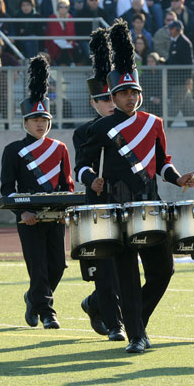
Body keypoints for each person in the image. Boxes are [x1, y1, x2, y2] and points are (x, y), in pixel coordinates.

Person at [74, 19, 194, 353]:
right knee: (127, 273)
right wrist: (92, 179)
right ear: (114, 96)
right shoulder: (100, 128)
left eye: (134, 92)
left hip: (150, 204)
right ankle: (137, 336)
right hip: (116, 206)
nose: (130, 98)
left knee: (163, 270)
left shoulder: (154, 124)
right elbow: (81, 166)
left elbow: (162, 163)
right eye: (124, 93)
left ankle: (134, 320)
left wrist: (178, 178)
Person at [0, 56, 74, 331]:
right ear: (25, 122)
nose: (41, 124)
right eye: (35, 119)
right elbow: (8, 189)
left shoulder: (60, 148)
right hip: (28, 217)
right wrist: (23, 212)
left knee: (57, 267)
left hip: (54, 217)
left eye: (44, 119)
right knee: (38, 267)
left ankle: (33, 298)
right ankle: (47, 312)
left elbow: (66, 185)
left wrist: (65, 209)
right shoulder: (13, 150)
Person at [74, 28, 125, 341]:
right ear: (94, 103)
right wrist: (92, 180)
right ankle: (114, 323)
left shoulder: (135, 125)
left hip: (127, 201)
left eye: (113, 97)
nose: (110, 103)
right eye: (103, 99)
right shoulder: (85, 131)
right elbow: (81, 167)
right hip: (98, 202)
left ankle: (95, 304)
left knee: (126, 269)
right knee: (105, 269)